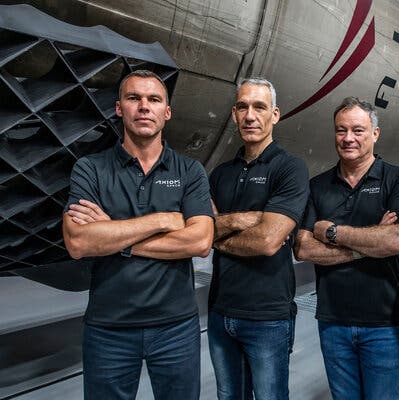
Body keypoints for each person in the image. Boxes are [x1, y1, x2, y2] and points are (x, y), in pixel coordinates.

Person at [62, 70, 214, 400]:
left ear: (167, 112)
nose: (144, 106)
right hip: (108, 329)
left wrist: (113, 234)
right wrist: (164, 219)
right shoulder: (91, 169)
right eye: (134, 98)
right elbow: (78, 242)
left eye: (154, 99)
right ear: (119, 108)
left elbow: (200, 241)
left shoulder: (189, 171)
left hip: (176, 327)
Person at [294, 97, 399, 400]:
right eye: (341, 130)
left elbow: (398, 241)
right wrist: (371, 240)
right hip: (332, 322)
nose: (348, 138)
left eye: (358, 130)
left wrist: (332, 232)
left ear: (375, 134)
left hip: (385, 324)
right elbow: (303, 249)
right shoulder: (317, 186)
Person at [208, 77, 309, 399]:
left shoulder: (290, 168)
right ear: (235, 114)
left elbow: (267, 240)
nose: (250, 116)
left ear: (275, 115)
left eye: (259, 107)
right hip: (220, 313)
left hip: (267, 317)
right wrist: (241, 219)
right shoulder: (220, 174)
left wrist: (217, 235)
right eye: (242, 107)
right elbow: (200, 230)